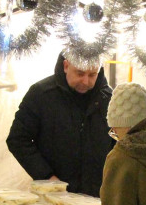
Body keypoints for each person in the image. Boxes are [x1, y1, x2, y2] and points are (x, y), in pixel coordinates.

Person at [6, 53, 114, 197]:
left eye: (92, 74)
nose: (85, 81)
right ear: (66, 66)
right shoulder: (41, 94)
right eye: (80, 73)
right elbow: (18, 139)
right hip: (54, 195)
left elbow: (118, 145)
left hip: (98, 196)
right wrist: (47, 177)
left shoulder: (110, 99)